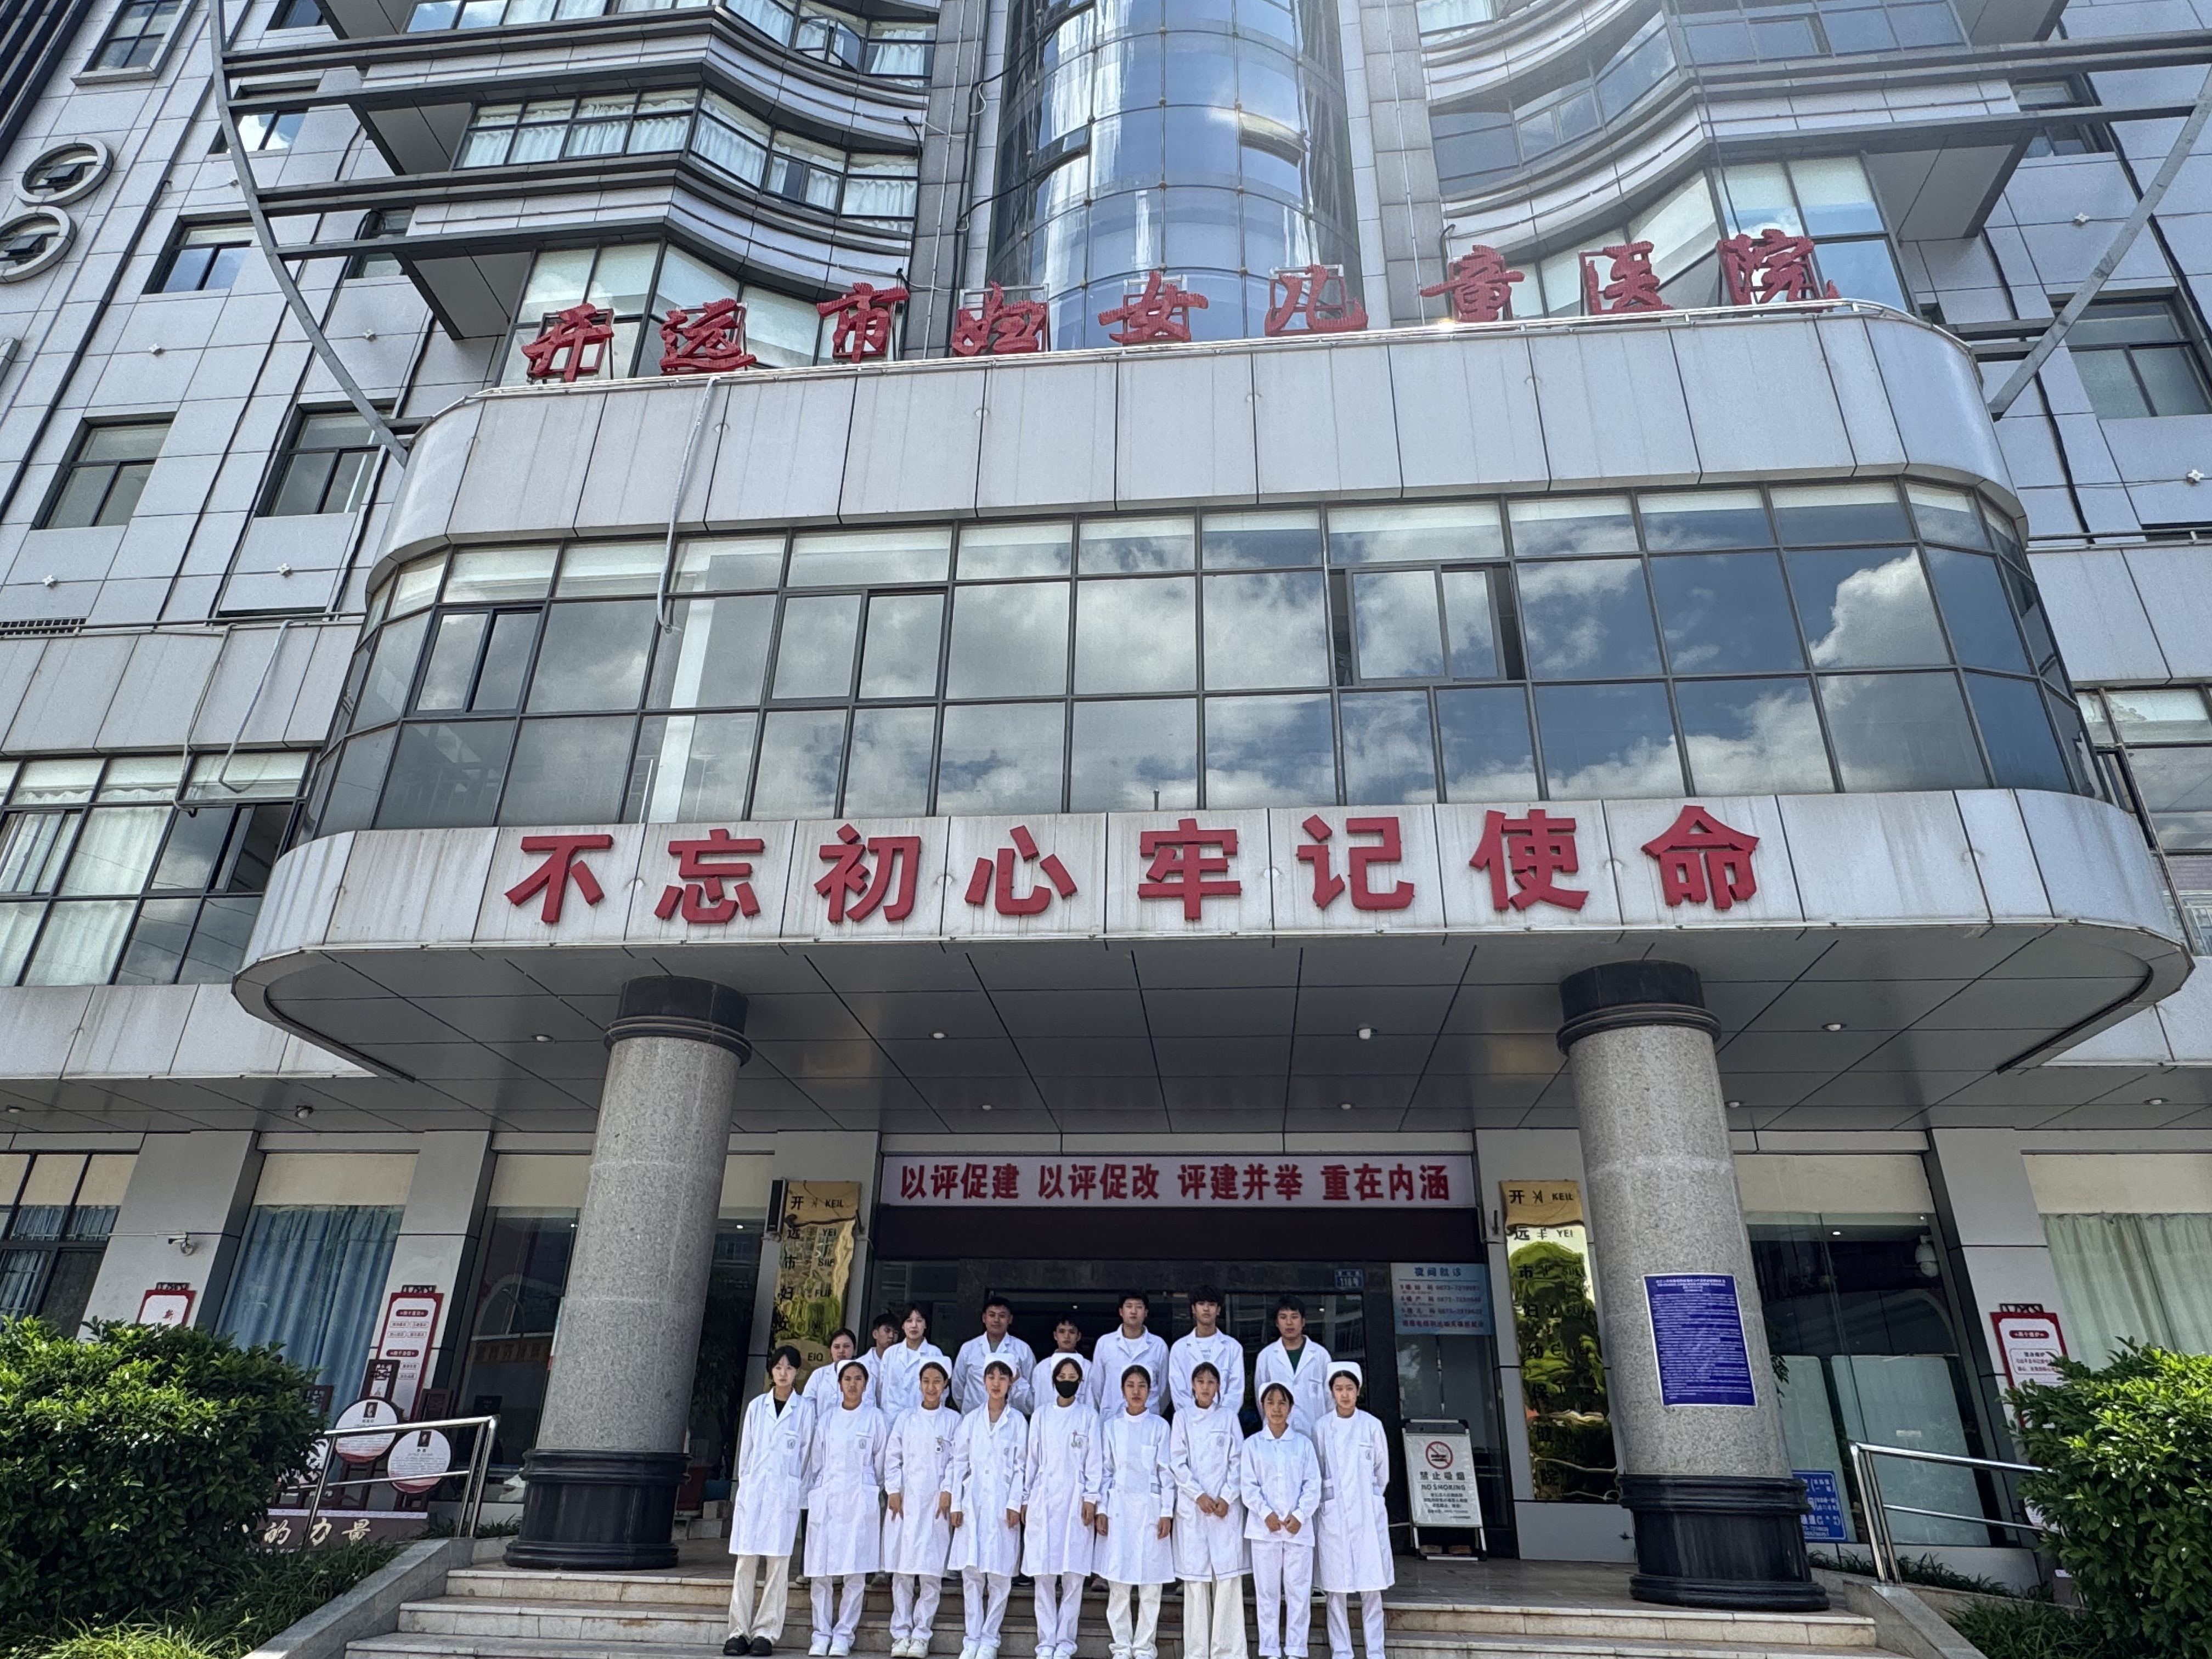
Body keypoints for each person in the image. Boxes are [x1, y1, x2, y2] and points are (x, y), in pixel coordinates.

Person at [725, 1346, 815, 1657]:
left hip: (784, 1497)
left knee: (778, 1566)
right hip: (754, 1495)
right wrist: (745, 1488)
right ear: (771, 1371)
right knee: (745, 1564)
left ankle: (766, 1632)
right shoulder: (756, 1407)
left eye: (789, 1368)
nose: (783, 1373)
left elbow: (807, 1457)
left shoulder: (804, 1411)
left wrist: (797, 1495)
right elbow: (746, 1454)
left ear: (797, 1372)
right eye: (778, 1367)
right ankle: (738, 1632)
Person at [943, 1358, 1028, 1659]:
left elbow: (1021, 1467)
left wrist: (1015, 1502)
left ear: (1010, 1382)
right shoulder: (970, 1420)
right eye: (991, 1377)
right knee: (972, 1575)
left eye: (1002, 1377)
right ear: (984, 1381)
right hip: (972, 1502)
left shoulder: (1017, 1422)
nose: (996, 1383)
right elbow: (959, 1463)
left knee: (1000, 1577)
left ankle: (990, 1639)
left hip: (1004, 1504)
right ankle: (972, 1638)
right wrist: (956, 1502)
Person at [803, 1359, 889, 1657]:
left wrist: (868, 1487)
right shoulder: (827, 1418)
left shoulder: (875, 1418)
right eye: (847, 1379)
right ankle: (820, 1634)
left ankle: (843, 1635)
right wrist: (822, 1489)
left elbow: (880, 1463)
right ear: (839, 1384)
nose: (853, 1384)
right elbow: (817, 1461)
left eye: (858, 1379)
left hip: (859, 1498)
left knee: (855, 1571)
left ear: (866, 1384)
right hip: (828, 1496)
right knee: (821, 1571)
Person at [1312, 1364, 1392, 1659]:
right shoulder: (1322, 1427)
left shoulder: (1372, 1425)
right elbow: (1319, 1468)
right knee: (1336, 1589)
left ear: (1358, 1391)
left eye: (1349, 1389)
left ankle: (1376, 1650)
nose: (1345, 1395)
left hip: (1367, 1515)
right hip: (1334, 1515)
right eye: (1339, 1389)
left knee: (1372, 1588)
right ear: (1331, 1392)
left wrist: (1371, 1498)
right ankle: (1342, 1650)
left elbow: (1382, 1471)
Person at [1095, 1365, 1176, 1659]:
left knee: (1151, 1585)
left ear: (1150, 1391)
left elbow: (1166, 1473)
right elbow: (1105, 1471)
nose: (1136, 1391)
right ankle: (1121, 1646)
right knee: (1119, 1583)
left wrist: (1166, 1511)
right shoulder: (1112, 1427)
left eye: (1142, 1386)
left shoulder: (1159, 1427)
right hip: (1118, 1510)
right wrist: (1102, 1509)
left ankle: (1144, 1646)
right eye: (1131, 1385)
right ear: (1122, 1390)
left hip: (1150, 1511)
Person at [1170, 1362, 1249, 1659]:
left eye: (1211, 1382)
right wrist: (1199, 1495)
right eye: (1200, 1381)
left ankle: (1228, 1652)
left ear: (1218, 1387)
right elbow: (1177, 1462)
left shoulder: (1228, 1418)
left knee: (1227, 1581)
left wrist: (1227, 1496)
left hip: (1224, 1510)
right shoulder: (1182, 1418)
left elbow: (1238, 1460)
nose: (1205, 1387)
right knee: (1196, 1584)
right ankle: (1197, 1652)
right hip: (1195, 1509)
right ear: (1192, 1385)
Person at [1024, 1355, 1101, 1659]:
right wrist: (1026, 1499)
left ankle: (1066, 1642)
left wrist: (1091, 1498)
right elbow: (1031, 1461)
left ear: (1080, 1382)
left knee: (1073, 1575)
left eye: (1072, 1377)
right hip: (1043, 1497)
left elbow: (1095, 1461)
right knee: (1043, 1575)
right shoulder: (1041, 1415)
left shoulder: (1089, 1417)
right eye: (1062, 1376)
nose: (1067, 1381)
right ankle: (1046, 1642)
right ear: (1054, 1380)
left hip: (1076, 1499)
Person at [882, 1359, 957, 1659]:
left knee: (930, 1573)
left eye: (937, 1381)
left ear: (945, 1385)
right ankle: (900, 1634)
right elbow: (892, 1457)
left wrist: (948, 1490)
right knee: (902, 1572)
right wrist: (893, 1490)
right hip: (905, 1502)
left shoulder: (953, 1421)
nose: (931, 1387)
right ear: (920, 1384)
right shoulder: (906, 1419)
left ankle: (922, 1634)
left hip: (936, 1504)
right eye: (926, 1381)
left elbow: (957, 1461)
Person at [1242, 1382, 1320, 1659]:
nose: (1276, 1409)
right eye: (1271, 1402)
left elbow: (1313, 1485)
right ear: (1263, 1406)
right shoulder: (1252, 1445)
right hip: (1265, 1530)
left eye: (1282, 1403)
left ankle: (1297, 1649)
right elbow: (1248, 1486)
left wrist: (1300, 1515)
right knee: (1267, 1592)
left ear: (1291, 1407)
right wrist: (1266, 1514)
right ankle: (1270, 1649)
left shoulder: (1303, 1444)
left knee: (1299, 1592)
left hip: (1298, 1530)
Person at [1253, 1297, 1331, 1436]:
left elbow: (1330, 1398)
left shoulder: (1321, 1355)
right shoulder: (1266, 1356)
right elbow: (1261, 1399)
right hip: (1277, 1433)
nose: (1289, 1322)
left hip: (1314, 1433)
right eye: (1283, 1317)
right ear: (1277, 1323)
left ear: (1303, 1322)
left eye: (1294, 1317)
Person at [952, 1296, 1039, 1417]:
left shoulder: (1023, 1350)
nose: (996, 1320)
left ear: (1010, 1319)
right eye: (992, 1315)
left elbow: (1032, 1390)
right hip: (973, 1417)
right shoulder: (968, 1349)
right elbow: (958, 1388)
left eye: (1002, 1316)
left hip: (1010, 1419)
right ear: (984, 1318)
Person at [1168, 1286, 1246, 1418]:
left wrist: (1220, 1418)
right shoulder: (1179, 1348)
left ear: (1218, 1310)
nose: (1206, 1309)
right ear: (1193, 1309)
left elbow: (1236, 1391)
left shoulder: (1233, 1347)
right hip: (1190, 1422)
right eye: (1201, 1304)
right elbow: (1178, 1392)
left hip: (1224, 1422)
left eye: (1211, 1304)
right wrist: (1196, 1416)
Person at [1092, 1293, 1168, 1419]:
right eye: (1129, 1306)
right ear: (1121, 1312)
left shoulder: (1159, 1346)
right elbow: (1097, 1385)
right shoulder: (1105, 1343)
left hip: (1148, 1419)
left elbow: (1164, 1390)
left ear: (1146, 1313)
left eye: (1139, 1307)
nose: (1133, 1311)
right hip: (1112, 1418)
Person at [879, 1305, 950, 1419]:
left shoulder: (934, 1353)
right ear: (903, 1326)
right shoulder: (890, 1353)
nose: (914, 1325)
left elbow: (942, 1391)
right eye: (909, 1321)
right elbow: (881, 1387)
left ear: (925, 1325)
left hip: (922, 1419)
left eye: (919, 1321)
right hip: (891, 1419)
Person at [1029, 1316, 1096, 1414]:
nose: (1067, 1336)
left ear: (1078, 1336)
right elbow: (1033, 1401)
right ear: (1055, 1335)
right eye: (1062, 1332)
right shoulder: (1042, 1367)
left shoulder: (1088, 1367)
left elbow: (1092, 1400)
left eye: (1072, 1332)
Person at [804, 1330, 861, 1414]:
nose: (841, 1351)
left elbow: (868, 1406)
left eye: (846, 1346)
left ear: (854, 1350)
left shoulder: (863, 1375)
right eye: (837, 1347)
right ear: (830, 1350)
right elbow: (807, 1405)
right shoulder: (819, 1374)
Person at [864, 1311, 902, 1402]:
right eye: (887, 1331)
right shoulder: (862, 1363)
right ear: (875, 1334)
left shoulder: (902, 1363)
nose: (891, 1336)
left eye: (895, 1333)